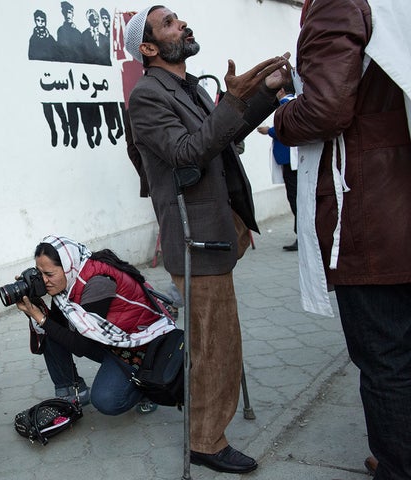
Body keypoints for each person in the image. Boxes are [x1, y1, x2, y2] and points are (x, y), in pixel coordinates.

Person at [124, 5, 290, 474]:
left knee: (221, 336)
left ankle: (207, 427)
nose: (183, 25)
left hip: (220, 225)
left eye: (179, 19)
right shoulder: (146, 96)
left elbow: (225, 131)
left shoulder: (188, 85)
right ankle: (205, 440)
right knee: (216, 345)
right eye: (170, 24)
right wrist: (233, 103)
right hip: (193, 234)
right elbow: (185, 152)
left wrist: (265, 94)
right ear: (149, 48)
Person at [273, 1, 411, 478]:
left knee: (387, 360)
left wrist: (284, 116)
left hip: (374, 213)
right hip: (393, 201)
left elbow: (326, 108)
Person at [15, 235, 177, 414]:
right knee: (48, 330)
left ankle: (147, 388)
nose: (44, 280)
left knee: (107, 401)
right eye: (39, 273)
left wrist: (40, 317)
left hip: (141, 347)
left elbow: (81, 345)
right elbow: (58, 325)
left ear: (68, 267)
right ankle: (72, 391)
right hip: (111, 340)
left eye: (49, 274)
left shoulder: (96, 283)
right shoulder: (68, 284)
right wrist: (34, 302)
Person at [256, 88, 298, 251]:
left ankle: (301, 234)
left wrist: (269, 131)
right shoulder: (290, 104)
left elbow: (285, 128)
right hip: (288, 160)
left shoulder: (286, 104)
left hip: (290, 161)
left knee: (295, 199)